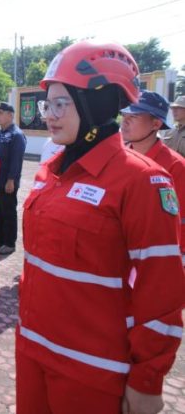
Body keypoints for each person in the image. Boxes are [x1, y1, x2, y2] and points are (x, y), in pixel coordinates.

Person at [18, 41, 185, 413]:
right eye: (48, 105)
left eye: (61, 104)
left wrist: (147, 380)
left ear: (97, 103)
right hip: (32, 350)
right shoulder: (50, 172)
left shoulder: (142, 181)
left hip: (92, 371)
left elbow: (162, 292)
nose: (49, 116)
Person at [120, 90, 185, 265]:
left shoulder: (175, 167)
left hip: (155, 259)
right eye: (124, 115)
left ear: (156, 124)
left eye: (133, 116)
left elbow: (179, 223)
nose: (124, 121)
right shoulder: (116, 159)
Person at [0, 102, 26, 255]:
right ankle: (0, 238)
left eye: (0, 113)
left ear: (10, 115)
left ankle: (9, 243)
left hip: (8, 181)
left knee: (8, 211)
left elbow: (16, 160)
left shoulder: (16, 135)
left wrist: (11, 180)